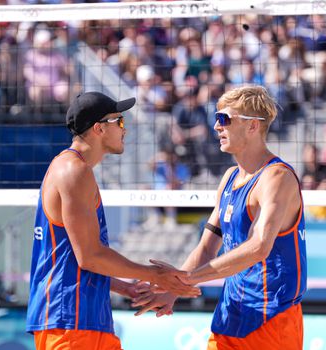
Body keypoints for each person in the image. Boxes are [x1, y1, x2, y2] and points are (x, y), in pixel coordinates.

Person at [25, 91, 200, 350]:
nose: (124, 129)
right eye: (118, 121)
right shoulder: (74, 170)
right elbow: (90, 256)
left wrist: (126, 288)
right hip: (69, 320)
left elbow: (75, 259)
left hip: (86, 316)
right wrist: (155, 275)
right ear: (98, 129)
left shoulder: (77, 169)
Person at [137, 85, 307, 349]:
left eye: (224, 119)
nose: (216, 126)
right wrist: (173, 290)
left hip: (271, 319)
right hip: (230, 315)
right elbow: (206, 247)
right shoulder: (229, 178)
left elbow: (258, 247)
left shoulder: (277, 177)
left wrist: (190, 279)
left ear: (252, 126)